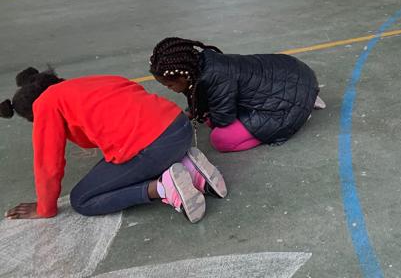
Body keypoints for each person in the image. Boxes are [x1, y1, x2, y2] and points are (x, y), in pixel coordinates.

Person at [1, 66, 225, 224]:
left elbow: (48, 163)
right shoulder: (88, 82)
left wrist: (44, 208)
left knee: (82, 199)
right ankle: (189, 168)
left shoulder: (45, 104)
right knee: (123, 161)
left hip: (155, 146)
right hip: (180, 127)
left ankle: (163, 187)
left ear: (32, 113)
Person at [149, 37, 325, 153]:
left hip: (289, 100)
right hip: (295, 73)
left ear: (184, 76)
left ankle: (303, 109)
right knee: (210, 115)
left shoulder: (215, 76)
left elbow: (223, 118)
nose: (169, 88)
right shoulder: (204, 62)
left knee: (220, 139)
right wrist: (194, 111)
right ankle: (305, 97)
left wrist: (203, 115)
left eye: (170, 85)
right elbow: (206, 98)